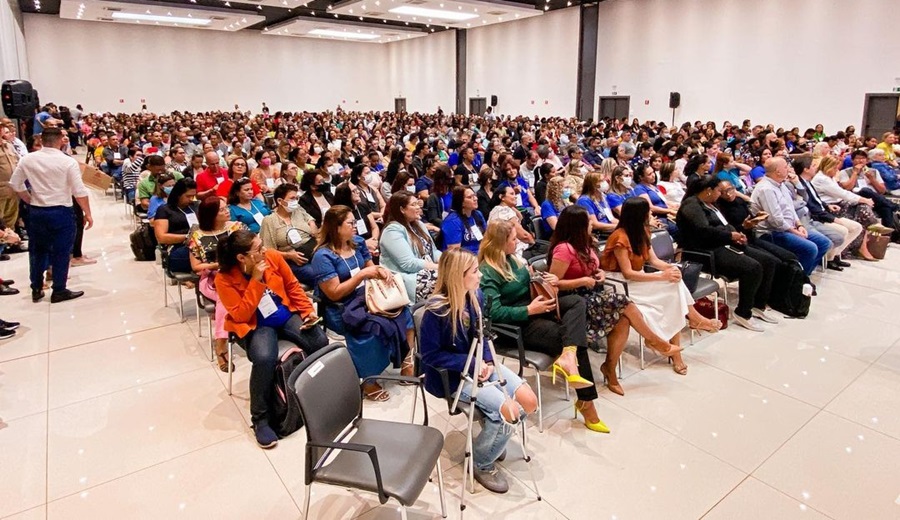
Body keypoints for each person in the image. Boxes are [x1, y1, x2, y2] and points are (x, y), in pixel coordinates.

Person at [420, 249, 538, 494]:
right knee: (510, 413)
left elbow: (482, 335)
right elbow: (430, 356)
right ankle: (481, 462)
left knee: (529, 402)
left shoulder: (476, 296)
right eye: (474, 271)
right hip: (452, 376)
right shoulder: (436, 311)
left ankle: (492, 436)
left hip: (479, 363)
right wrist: (472, 363)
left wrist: (488, 361)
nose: (480, 275)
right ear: (458, 276)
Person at [478, 219, 609, 434]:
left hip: (534, 308)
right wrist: (529, 310)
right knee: (574, 340)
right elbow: (492, 313)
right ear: (501, 243)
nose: (517, 241)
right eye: (513, 239)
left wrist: (541, 279)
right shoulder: (488, 272)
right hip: (515, 326)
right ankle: (587, 404)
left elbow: (526, 284)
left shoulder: (513, 259)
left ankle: (568, 357)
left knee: (576, 302)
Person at [547, 205, 682, 394]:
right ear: (578, 226)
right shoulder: (564, 249)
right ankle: (655, 341)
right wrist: (582, 280)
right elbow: (553, 284)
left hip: (591, 293)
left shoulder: (586, 244)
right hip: (573, 301)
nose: (592, 224)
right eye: (588, 222)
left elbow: (594, 268)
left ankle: (610, 369)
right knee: (624, 302)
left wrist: (599, 273)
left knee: (623, 319)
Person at [216, 230, 328, 449]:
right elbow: (241, 315)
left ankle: (316, 395)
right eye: (258, 249)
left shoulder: (273, 257)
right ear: (242, 257)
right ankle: (261, 419)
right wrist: (256, 280)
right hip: (256, 324)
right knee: (264, 357)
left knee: (319, 342)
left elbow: (292, 286)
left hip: (284, 313)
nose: (264, 250)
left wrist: (307, 312)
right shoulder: (224, 278)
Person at [600, 198, 721, 373]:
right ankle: (693, 320)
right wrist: (662, 276)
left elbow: (654, 261)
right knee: (671, 289)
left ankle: (689, 328)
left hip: (637, 278)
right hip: (619, 283)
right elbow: (627, 273)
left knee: (674, 283)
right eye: (648, 212)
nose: (651, 214)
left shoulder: (643, 232)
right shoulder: (620, 237)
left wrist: (670, 268)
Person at [311, 205, 415, 402]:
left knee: (404, 312)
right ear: (336, 227)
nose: (355, 226)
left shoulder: (357, 243)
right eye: (350, 223)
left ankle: (407, 361)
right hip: (342, 307)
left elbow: (370, 267)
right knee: (375, 327)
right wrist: (361, 276)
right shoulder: (323, 256)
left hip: (366, 296)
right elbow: (334, 293)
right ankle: (368, 380)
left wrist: (380, 271)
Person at [676, 175, 781, 331]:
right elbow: (704, 231)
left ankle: (758, 305)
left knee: (769, 262)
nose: (721, 194)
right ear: (709, 190)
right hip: (705, 250)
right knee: (752, 268)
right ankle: (743, 312)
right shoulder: (691, 206)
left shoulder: (711, 204)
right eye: (719, 191)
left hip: (724, 243)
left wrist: (738, 233)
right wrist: (730, 236)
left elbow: (725, 225)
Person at [10, 127, 92, 303]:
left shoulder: (28, 159)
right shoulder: (67, 162)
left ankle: (36, 287)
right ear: (60, 140)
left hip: (37, 210)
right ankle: (59, 289)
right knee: (61, 251)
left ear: (42, 140)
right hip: (61, 210)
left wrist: (29, 199)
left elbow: (15, 183)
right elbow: (79, 191)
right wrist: (87, 212)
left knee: (37, 250)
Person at [187, 196, 245, 371]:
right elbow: (196, 266)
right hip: (213, 277)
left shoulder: (236, 228)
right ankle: (221, 344)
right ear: (211, 214)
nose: (227, 211)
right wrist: (216, 265)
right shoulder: (198, 236)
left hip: (240, 274)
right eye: (221, 210)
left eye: (226, 207)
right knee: (225, 298)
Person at [750, 157, 832, 276]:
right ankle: (796, 280)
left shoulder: (781, 184)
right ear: (778, 171)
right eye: (785, 167)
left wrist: (799, 225)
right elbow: (775, 220)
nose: (788, 169)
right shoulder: (766, 189)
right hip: (772, 232)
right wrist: (795, 232)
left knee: (824, 243)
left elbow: (790, 208)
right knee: (810, 248)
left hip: (790, 227)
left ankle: (802, 276)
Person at [812, 156, 881, 260]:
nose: (837, 170)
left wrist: (862, 200)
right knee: (863, 206)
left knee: (863, 206)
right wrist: (863, 199)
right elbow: (842, 193)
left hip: (837, 203)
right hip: (828, 208)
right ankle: (872, 225)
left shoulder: (829, 177)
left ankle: (839, 253)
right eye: (835, 168)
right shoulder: (822, 179)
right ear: (828, 167)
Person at [379, 191, 441, 303]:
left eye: (417, 203)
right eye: (413, 205)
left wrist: (448, 261)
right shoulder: (392, 231)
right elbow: (408, 264)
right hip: (408, 279)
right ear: (402, 209)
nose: (418, 207)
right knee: (448, 279)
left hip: (428, 270)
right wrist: (438, 267)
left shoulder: (419, 224)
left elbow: (434, 252)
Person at [259, 183, 319, 287]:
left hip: (312, 250)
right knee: (318, 275)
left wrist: (312, 225)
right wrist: (289, 255)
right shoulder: (269, 221)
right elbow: (267, 251)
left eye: (297, 198)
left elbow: (309, 218)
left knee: (334, 266)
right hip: (290, 260)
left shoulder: (298, 209)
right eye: (292, 198)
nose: (295, 201)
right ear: (280, 201)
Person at [153, 178, 199, 273]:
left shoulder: (196, 206)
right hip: (177, 247)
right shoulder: (164, 210)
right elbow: (161, 237)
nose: (191, 199)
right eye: (188, 196)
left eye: (193, 196)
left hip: (199, 244)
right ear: (178, 194)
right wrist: (188, 237)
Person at [487, 185, 537, 258]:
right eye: (512, 194)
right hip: (513, 252)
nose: (515, 196)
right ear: (502, 197)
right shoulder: (504, 211)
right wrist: (535, 244)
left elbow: (520, 216)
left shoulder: (497, 209)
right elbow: (524, 236)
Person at [441, 186, 486, 253]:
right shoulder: (453, 221)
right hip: (464, 257)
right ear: (461, 202)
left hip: (480, 254)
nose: (475, 199)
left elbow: (485, 239)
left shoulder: (478, 214)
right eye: (470, 197)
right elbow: (455, 253)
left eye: (475, 195)